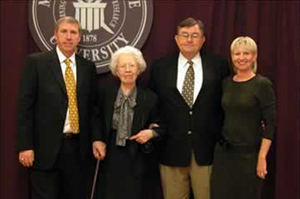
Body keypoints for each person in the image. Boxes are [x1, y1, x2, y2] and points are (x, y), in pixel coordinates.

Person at [16, 16, 102, 199]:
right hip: (43, 150)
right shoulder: (36, 63)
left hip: (77, 149)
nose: (68, 37)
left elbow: (93, 109)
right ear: (55, 35)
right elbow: (25, 108)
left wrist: (97, 139)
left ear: (80, 38)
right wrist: (25, 146)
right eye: (64, 31)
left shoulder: (88, 67)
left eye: (73, 32)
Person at [148, 17, 229, 199]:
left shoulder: (219, 66)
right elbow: (152, 102)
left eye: (194, 35)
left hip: (207, 151)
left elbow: (228, 101)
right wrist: (152, 125)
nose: (189, 40)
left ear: (203, 40)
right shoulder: (160, 67)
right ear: (176, 39)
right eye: (184, 35)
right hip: (171, 150)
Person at [94, 46, 164, 199]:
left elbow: (161, 125)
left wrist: (151, 133)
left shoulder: (150, 98)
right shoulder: (105, 93)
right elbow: (96, 118)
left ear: (138, 69)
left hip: (137, 155)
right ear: (116, 70)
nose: (127, 70)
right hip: (110, 152)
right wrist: (97, 140)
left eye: (132, 66)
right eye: (123, 66)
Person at [210, 36, 276, 199]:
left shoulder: (262, 84)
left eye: (246, 53)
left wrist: (262, 157)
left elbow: (270, 123)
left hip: (249, 156)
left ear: (254, 56)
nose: (241, 58)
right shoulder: (226, 83)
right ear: (232, 57)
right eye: (237, 54)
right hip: (224, 155)